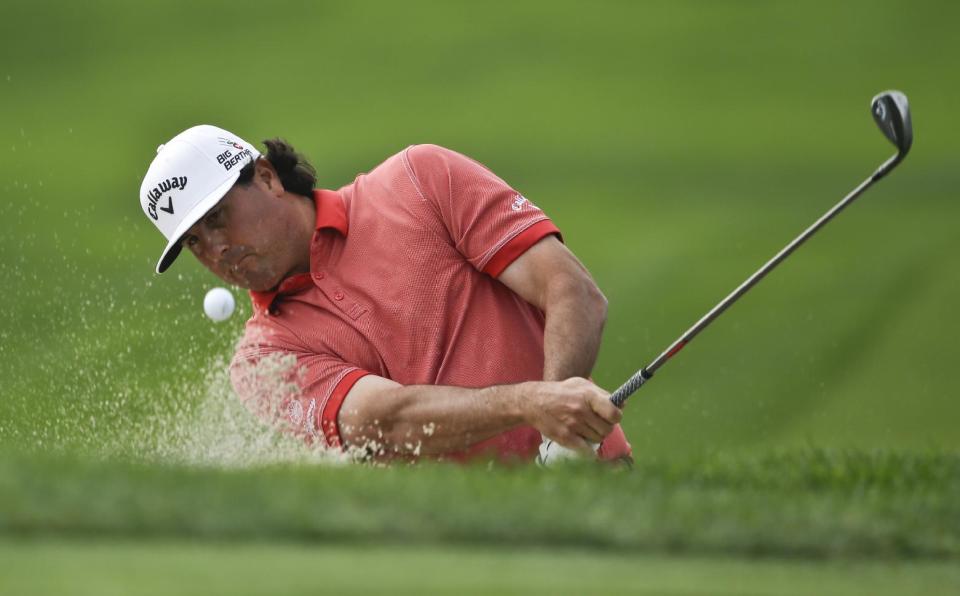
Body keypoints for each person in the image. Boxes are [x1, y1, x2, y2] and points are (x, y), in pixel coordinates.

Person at [139, 125, 631, 463]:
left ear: (266, 177)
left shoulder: (420, 180)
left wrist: (561, 439)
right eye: (195, 242)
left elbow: (571, 290)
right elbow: (385, 421)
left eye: (217, 218)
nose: (216, 249)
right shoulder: (263, 361)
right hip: (458, 551)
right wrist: (530, 405)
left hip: (594, 495)